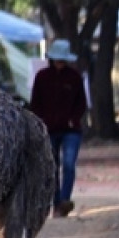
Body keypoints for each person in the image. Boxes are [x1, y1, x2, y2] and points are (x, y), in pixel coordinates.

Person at [29, 39, 87, 217]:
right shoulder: (42, 77)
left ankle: (64, 200)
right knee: (52, 166)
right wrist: (41, 123)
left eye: (63, 59)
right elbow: (35, 103)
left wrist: (73, 119)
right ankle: (55, 202)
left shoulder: (75, 77)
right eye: (58, 59)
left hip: (71, 130)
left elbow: (82, 103)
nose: (60, 62)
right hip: (49, 130)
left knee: (69, 164)